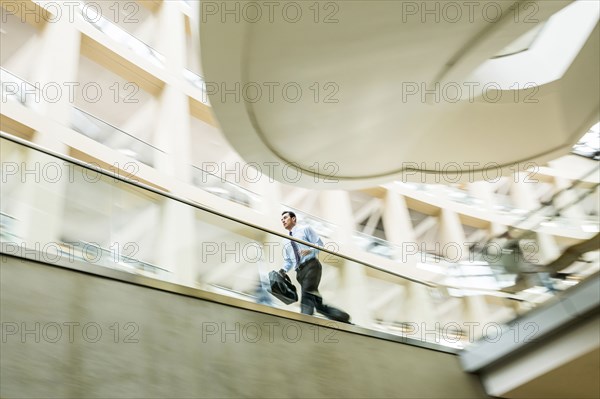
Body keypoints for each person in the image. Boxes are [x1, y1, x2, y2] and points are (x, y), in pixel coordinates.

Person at [279, 211, 350, 323]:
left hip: (311, 266)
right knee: (316, 302)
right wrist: (283, 270)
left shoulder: (305, 229)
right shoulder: (285, 240)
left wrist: (310, 250)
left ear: (293, 219)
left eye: (285, 217)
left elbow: (320, 244)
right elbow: (288, 260)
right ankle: (341, 316)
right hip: (300, 273)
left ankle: (305, 321)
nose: (283, 220)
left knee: (307, 295)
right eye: (281, 219)